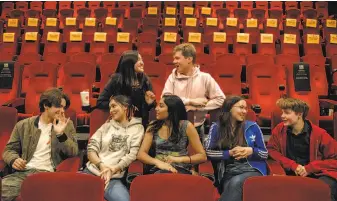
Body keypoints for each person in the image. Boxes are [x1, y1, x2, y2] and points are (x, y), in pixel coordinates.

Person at [2, 88, 78, 201]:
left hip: (49, 174)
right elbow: (9, 150)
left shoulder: (67, 125)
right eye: (59, 106)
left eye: (64, 107)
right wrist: (14, 160)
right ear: (46, 105)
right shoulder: (23, 125)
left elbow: (74, 152)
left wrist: (60, 134)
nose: (62, 111)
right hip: (24, 173)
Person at [267, 98, 337, 201]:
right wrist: (292, 165)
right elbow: (272, 150)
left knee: (324, 188)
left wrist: (310, 168)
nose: (282, 116)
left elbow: (335, 159)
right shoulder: (279, 130)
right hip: (291, 174)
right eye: (282, 112)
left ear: (299, 114)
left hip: (316, 174)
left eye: (286, 113)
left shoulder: (320, 134)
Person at [205, 96, 268, 201]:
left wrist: (251, 151)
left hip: (253, 169)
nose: (244, 111)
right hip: (228, 172)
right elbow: (208, 153)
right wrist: (229, 153)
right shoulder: (216, 127)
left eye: (246, 108)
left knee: (236, 182)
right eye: (241, 107)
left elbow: (265, 153)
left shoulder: (253, 126)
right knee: (232, 185)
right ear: (229, 108)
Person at [84, 95, 144, 201]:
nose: (111, 110)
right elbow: (91, 149)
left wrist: (114, 169)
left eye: (114, 106)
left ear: (125, 107)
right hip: (91, 172)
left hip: (114, 178)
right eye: (110, 107)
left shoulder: (137, 128)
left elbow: (132, 155)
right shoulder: (106, 126)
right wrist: (101, 166)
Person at [161, 43, 225, 141]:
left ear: (189, 59)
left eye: (177, 58)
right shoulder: (172, 77)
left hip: (197, 128)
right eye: (174, 58)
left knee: (197, 156)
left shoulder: (205, 77)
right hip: (174, 127)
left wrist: (196, 107)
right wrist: (190, 101)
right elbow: (165, 99)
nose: (174, 61)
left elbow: (221, 99)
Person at [137, 95, 207, 174]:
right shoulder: (153, 126)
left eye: (161, 106)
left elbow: (202, 156)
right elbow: (141, 154)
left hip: (181, 169)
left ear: (172, 110)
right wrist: (158, 162)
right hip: (158, 170)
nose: (156, 108)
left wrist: (178, 159)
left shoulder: (186, 126)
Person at [97, 50, 156, 128]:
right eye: (138, 60)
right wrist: (118, 106)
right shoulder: (116, 80)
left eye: (142, 60)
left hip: (140, 124)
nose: (142, 63)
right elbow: (100, 102)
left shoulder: (145, 80)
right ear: (129, 63)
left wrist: (151, 103)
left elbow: (150, 108)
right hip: (119, 124)